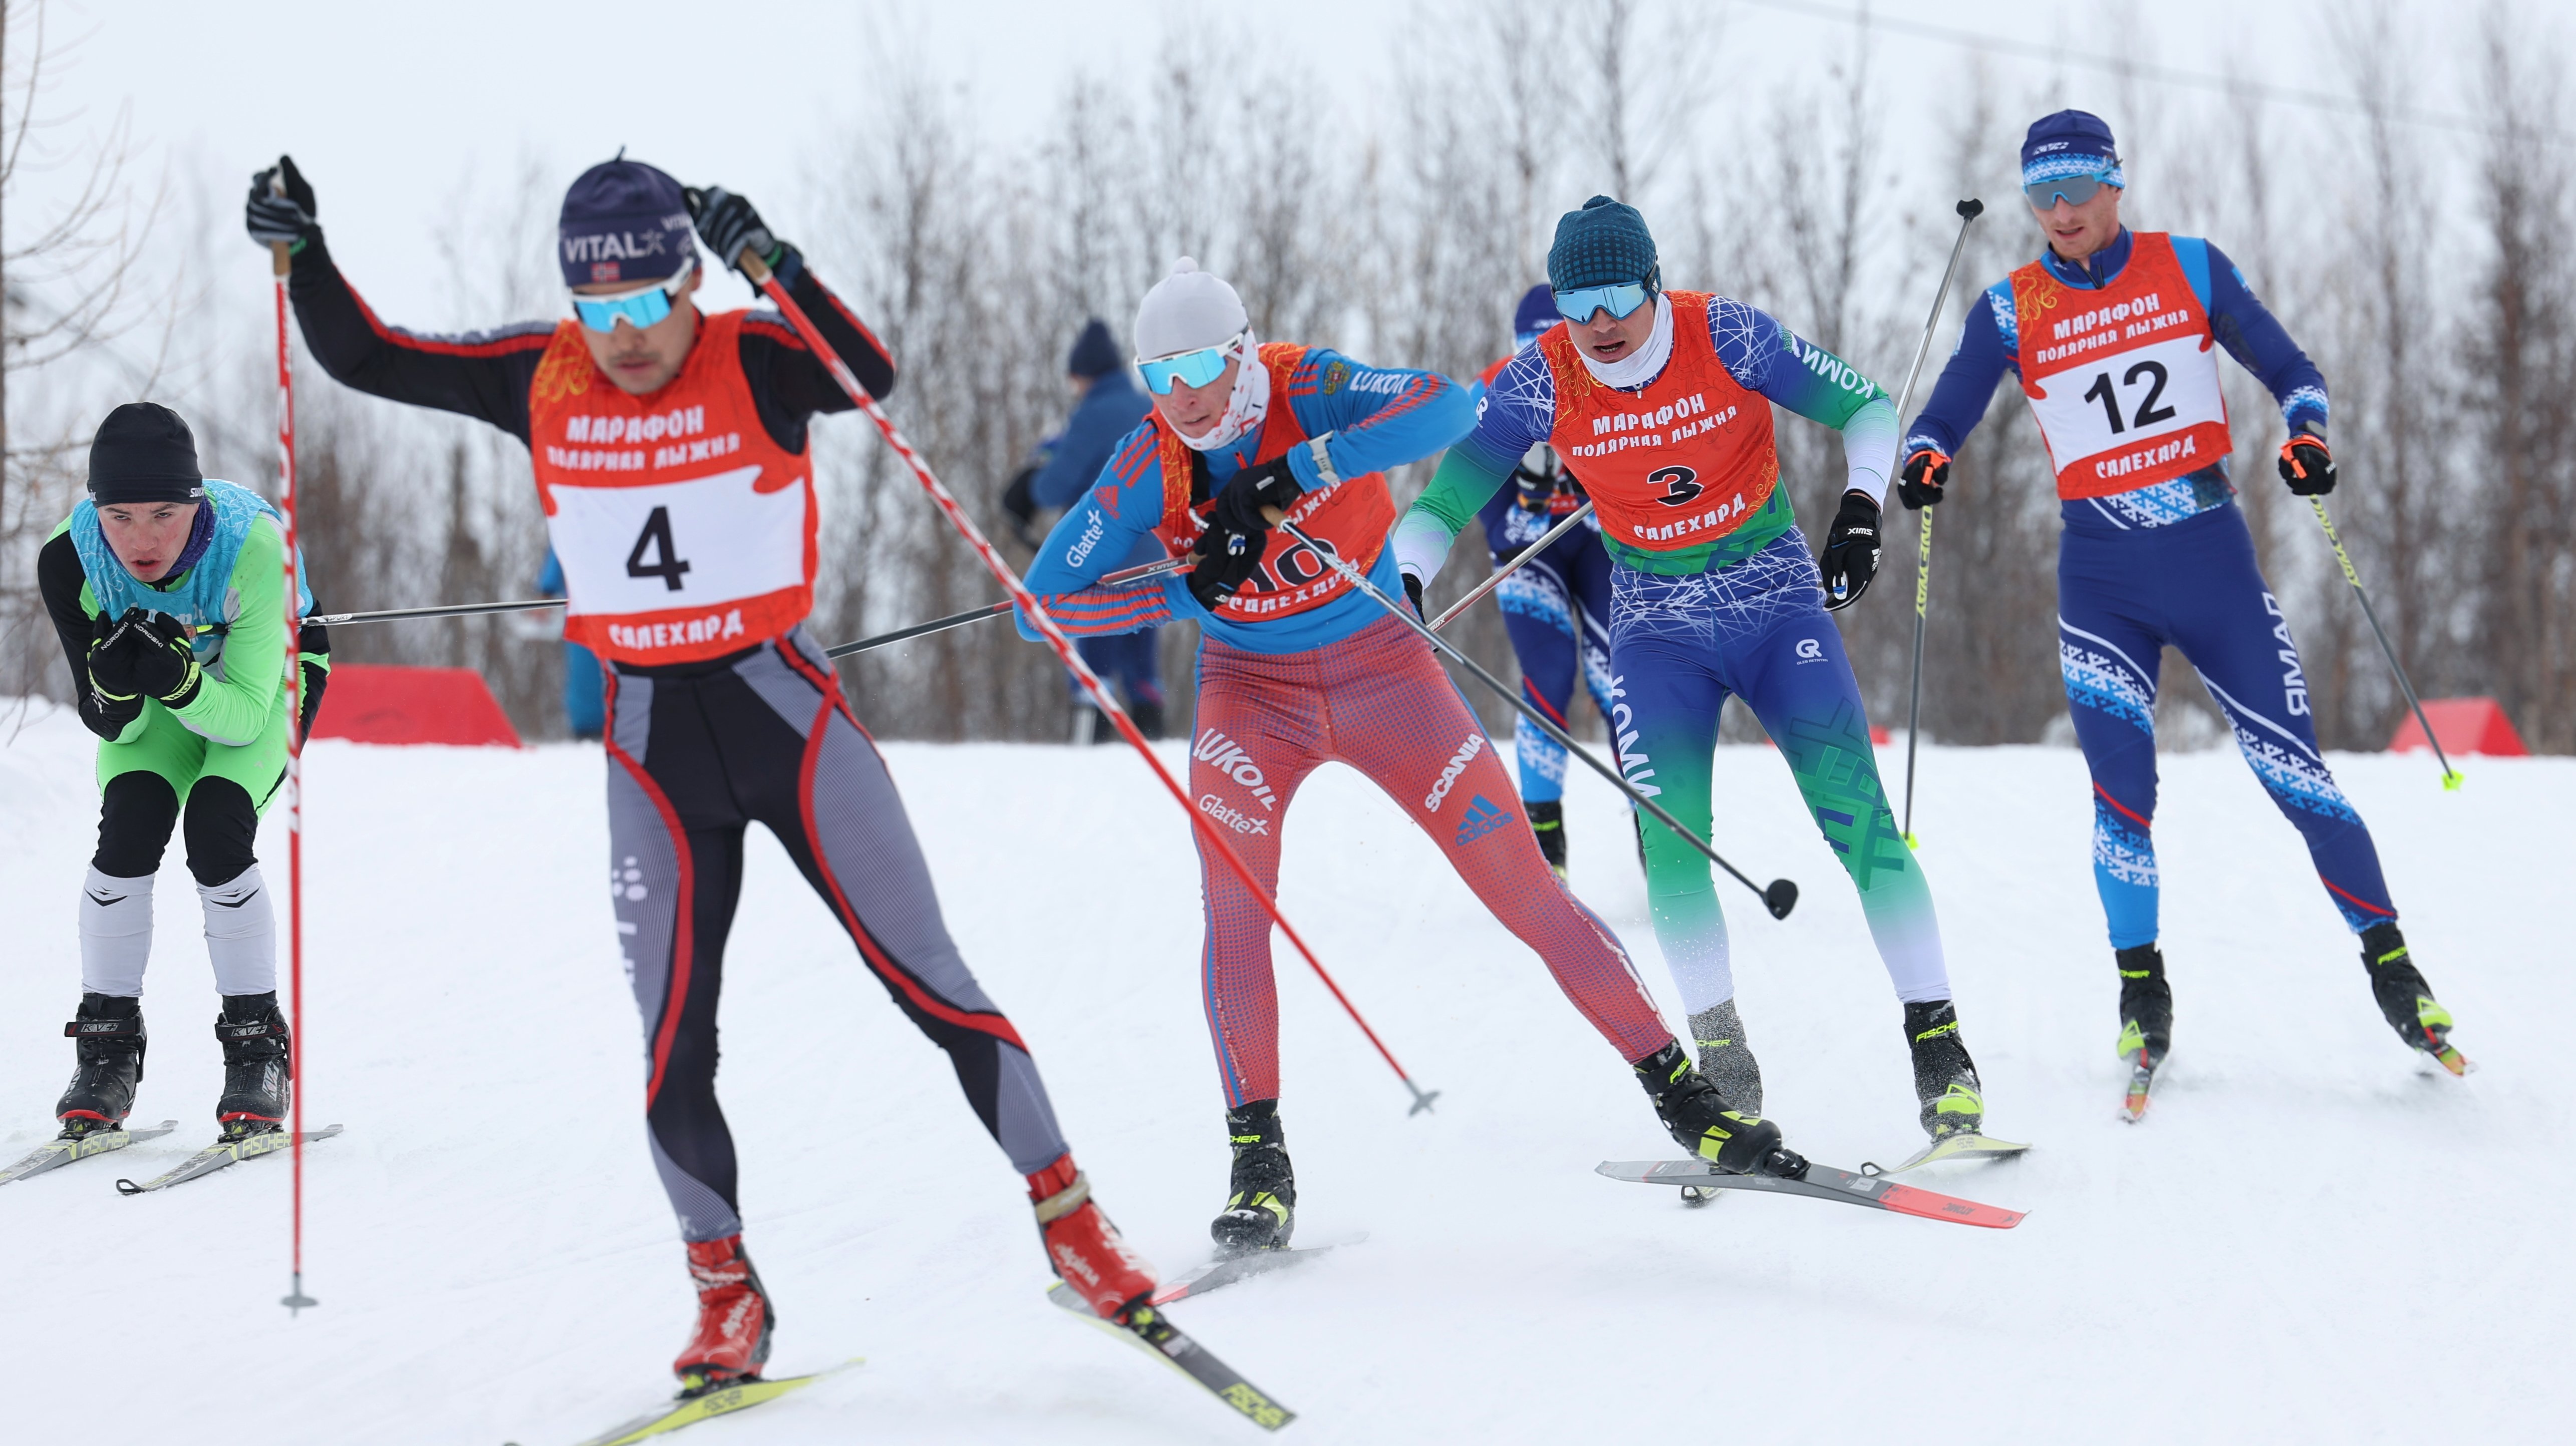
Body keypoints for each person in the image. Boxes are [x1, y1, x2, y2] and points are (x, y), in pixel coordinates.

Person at [245, 153, 1159, 1389]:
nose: (623, 337)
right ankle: (723, 1287)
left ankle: (1071, 1221)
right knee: (672, 1039)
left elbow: (866, 371)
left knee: (930, 979)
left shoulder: (755, 357)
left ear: (689, 282)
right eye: (597, 310)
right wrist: (303, 255)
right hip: (648, 749)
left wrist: (772, 261)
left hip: (785, 718)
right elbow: (370, 356)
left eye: (645, 305)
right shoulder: (540, 373)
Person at [1018, 257, 1807, 1256]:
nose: (1184, 399)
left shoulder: (1305, 387)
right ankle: (1259, 1165)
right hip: (1250, 699)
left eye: (1202, 369)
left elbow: (1450, 409)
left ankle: (1689, 1101)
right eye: (1159, 378)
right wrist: (1187, 588)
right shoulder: (1146, 461)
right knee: (1234, 911)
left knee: (1526, 892)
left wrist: (1300, 469)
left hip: (1387, 676)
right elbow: (1036, 604)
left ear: (1241, 352)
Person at [1391, 196, 1995, 1148]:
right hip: (1654, 630)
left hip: (1772, 605)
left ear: (1654, 281)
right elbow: (1442, 497)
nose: (1597, 319)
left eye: (1618, 292)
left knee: (1861, 824)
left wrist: (1860, 511)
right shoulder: (1543, 379)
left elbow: (1868, 408)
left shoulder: (1725, 335)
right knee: (1672, 845)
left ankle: (1939, 1049)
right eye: (1576, 297)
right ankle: (1723, 1057)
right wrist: (1408, 575)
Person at [1896, 110, 2462, 1089]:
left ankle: (2394, 970)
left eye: (2078, 187)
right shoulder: (2007, 309)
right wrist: (1924, 457)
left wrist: (2309, 434)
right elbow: (1945, 412)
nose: (2061, 211)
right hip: (2101, 580)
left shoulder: (2190, 267)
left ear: (2117, 183)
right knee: (2121, 799)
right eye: (2042, 194)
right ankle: (2141, 991)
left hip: (2213, 566)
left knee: (2299, 778)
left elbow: (2293, 372)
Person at [37, 402, 330, 1144]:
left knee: (216, 828)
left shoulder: (256, 549)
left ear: (195, 503)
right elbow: (117, 726)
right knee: (127, 830)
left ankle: (257, 1047)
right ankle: (107, 1048)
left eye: (164, 514)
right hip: (170, 702)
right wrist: (118, 687)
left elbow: (244, 715)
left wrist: (176, 682)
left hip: (265, 688)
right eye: (121, 516)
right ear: (96, 508)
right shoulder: (70, 561)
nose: (142, 540)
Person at [1471, 284, 1618, 877]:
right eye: (1529, 353)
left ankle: (1653, 831)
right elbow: (1491, 516)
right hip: (1530, 554)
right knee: (1549, 677)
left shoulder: (1609, 382)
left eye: (1553, 350)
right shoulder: (1489, 394)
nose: (1544, 370)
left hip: (1600, 546)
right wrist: (1529, 501)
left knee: (1621, 680)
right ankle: (1544, 836)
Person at [1025, 319, 1165, 742]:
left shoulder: (1089, 416)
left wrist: (1037, 470)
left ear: (1085, 374)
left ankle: (1093, 729)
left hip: (1102, 553)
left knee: (1096, 637)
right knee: (1142, 638)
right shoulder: (1148, 405)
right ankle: (1151, 725)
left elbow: (1052, 489)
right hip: (1158, 550)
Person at [536, 547, 606, 741]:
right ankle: (588, 729)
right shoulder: (574, 520)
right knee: (585, 670)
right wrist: (546, 593)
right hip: (584, 609)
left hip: (627, 607)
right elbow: (561, 546)